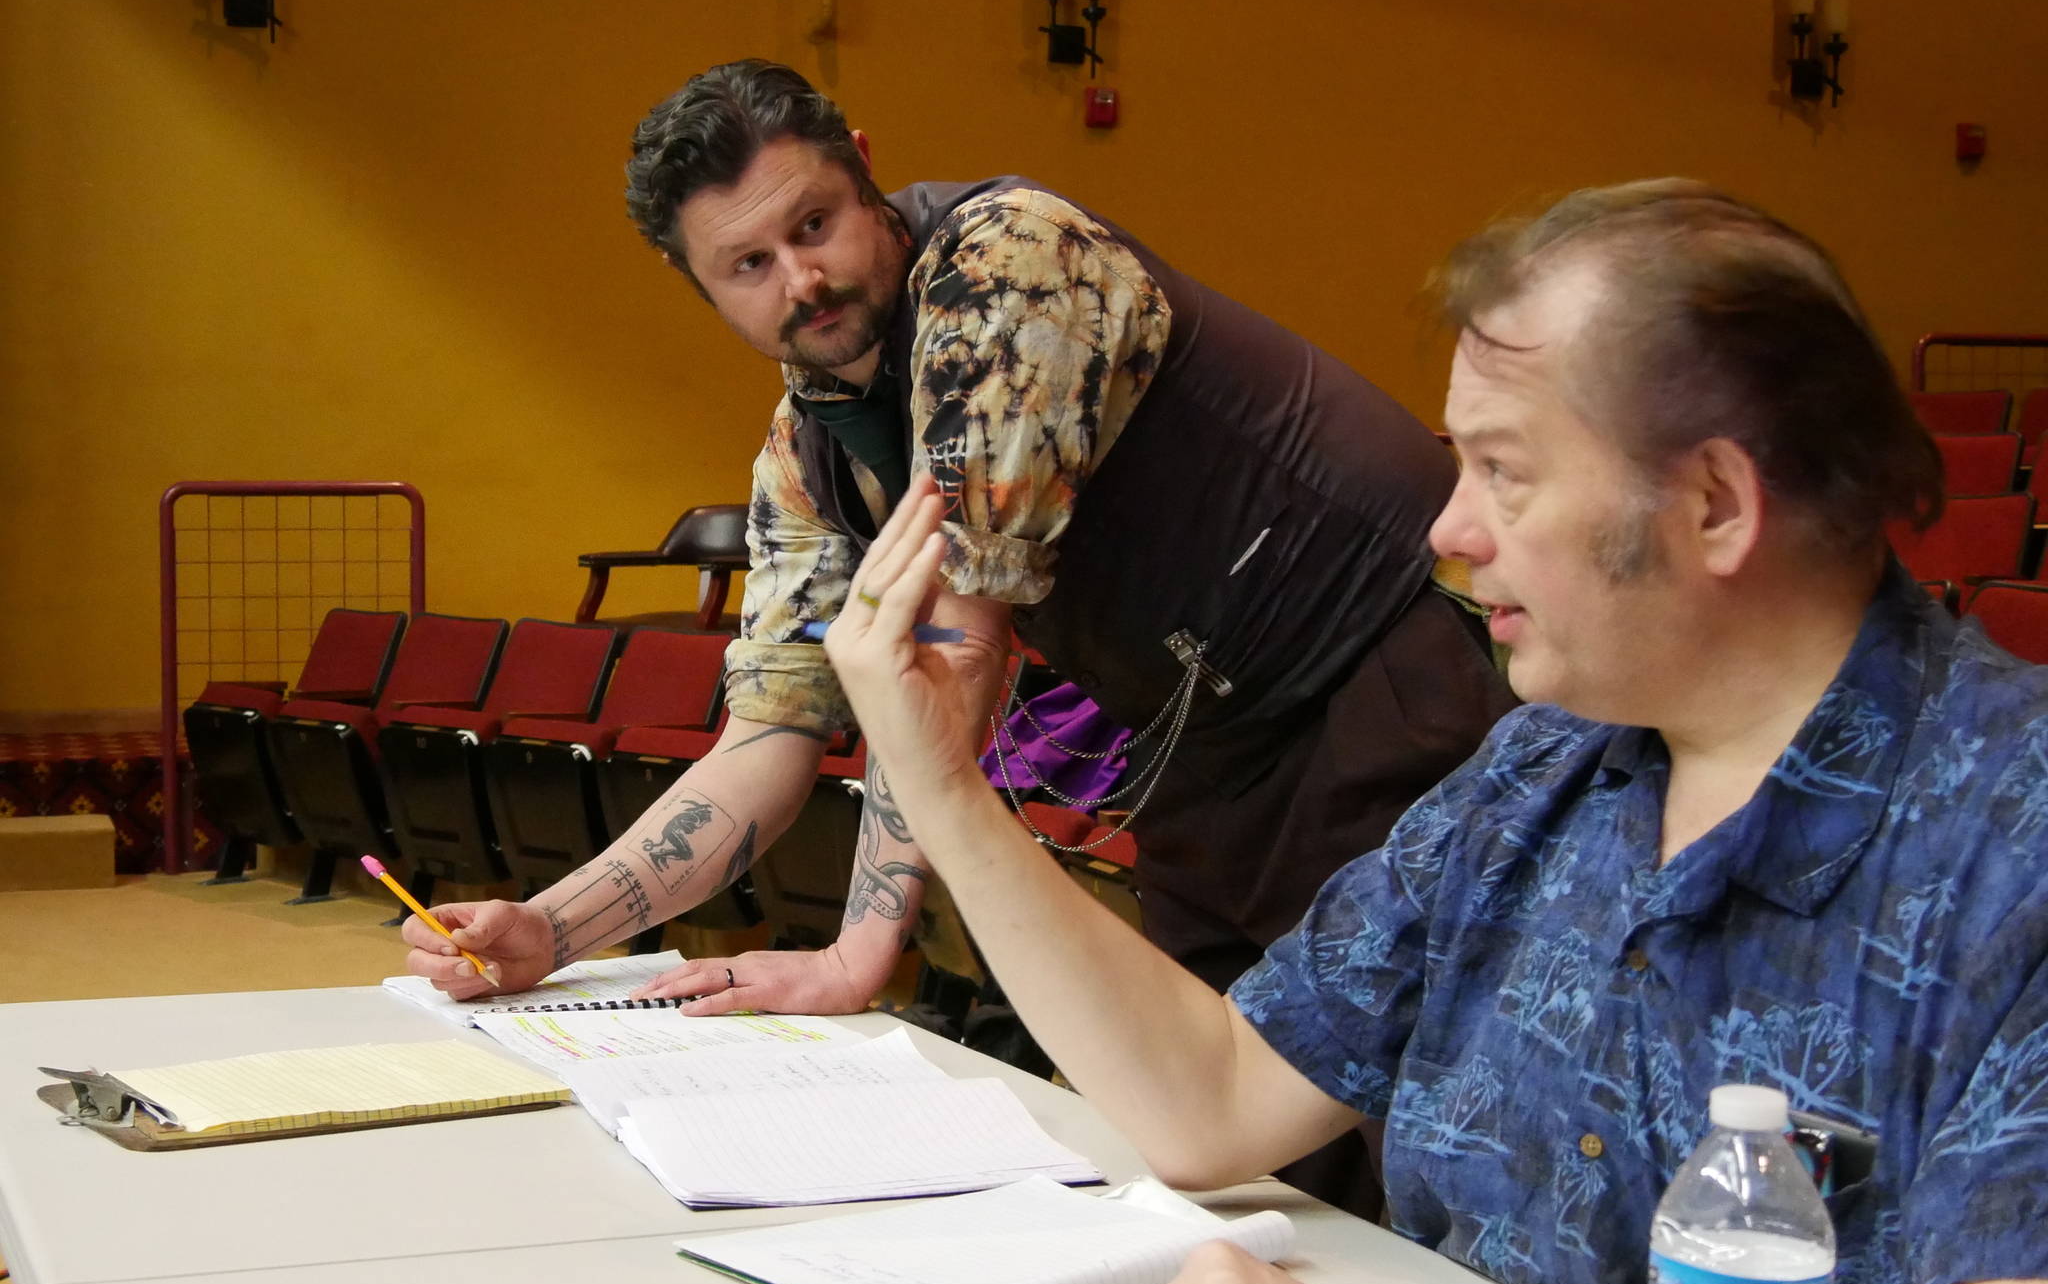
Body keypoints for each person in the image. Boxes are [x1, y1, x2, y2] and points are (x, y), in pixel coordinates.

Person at [820, 180, 2048, 1284]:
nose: (1447, 526)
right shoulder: (1542, 767)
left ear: (1713, 505)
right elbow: (1215, 1095)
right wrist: (943, 782)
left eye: (1502, 471)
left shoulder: (2012, 826)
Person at [399, 59, 1508, 1160]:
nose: (802, 280)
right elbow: (769, 732)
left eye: (815, 224)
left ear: (864, 169)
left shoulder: (1005, 261)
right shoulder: (806, 452)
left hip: (1382, 678)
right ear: (699, 283)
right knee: (1230, 1153)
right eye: (749, 263)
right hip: (1208, 759)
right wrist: (549, 927)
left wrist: (857, 953)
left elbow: (951, 652)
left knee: (1432, 1142)